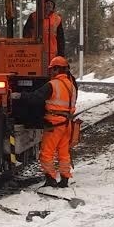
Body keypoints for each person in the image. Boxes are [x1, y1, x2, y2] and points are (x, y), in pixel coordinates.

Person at [13, 56, 77, 188]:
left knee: (46, 153)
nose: (50, 72)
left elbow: (36, 97)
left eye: (52, 69)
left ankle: (50, 179)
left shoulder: (52, 85)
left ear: (56, 69)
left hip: (54, 124)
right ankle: (64, 179)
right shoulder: (71, 85)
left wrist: (19, 95)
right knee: (64, 152)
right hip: (67, 123)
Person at [23, 0, 65, 66]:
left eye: (51, 4)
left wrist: (61, 54)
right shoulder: (34, 16)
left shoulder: (57, 19)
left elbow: (60, 38)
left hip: (52, 54)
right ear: (43, 5)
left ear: (53, 7)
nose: (49, 5)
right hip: (36, 53)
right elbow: (26, 33)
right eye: (47, 3)